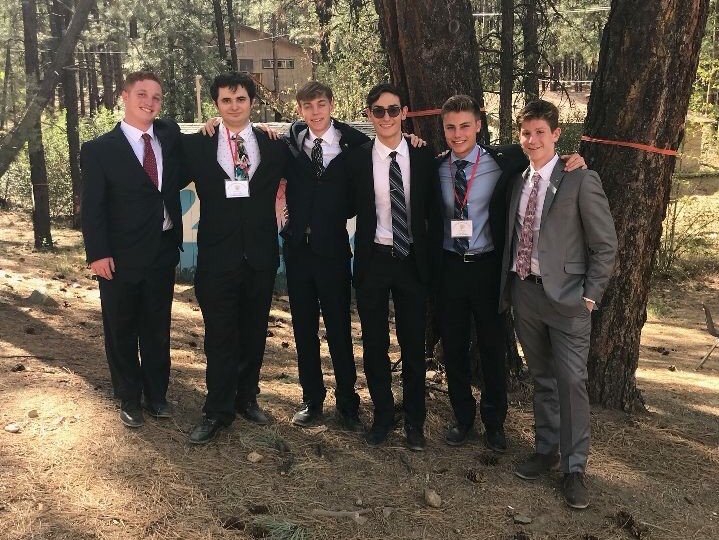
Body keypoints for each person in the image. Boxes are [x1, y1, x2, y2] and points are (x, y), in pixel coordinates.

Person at [435, 95, 586, 452]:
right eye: (450, 127)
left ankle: (494, 422)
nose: (458, 134)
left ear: (478, 126)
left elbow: (544, 154)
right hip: (449, 268)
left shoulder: (505, 160)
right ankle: (462, 417)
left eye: (465, 126)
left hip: (488, 268)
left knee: (492, 347)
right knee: (454, 347)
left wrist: (574, 158)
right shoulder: (435, 166)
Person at [499, 100, 617, 509]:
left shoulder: (579, 179)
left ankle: (574, 468)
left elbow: (605, 245)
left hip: (568, 301)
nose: (532, 141)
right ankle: (546, 449)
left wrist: (590, 296)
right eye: (526, 133)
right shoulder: (518, 181)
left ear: (556, 135)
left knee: (571, 382)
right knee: (542, 378)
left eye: (540, 133)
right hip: (525, 294)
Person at [182, 72, 289, 444]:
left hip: (259, 256)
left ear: (252, 102)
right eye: (226, 100)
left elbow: (318, 141)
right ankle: (217, 409)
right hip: (217, 257)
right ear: (216, 105)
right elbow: (159, 140)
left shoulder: (273, 145)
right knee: (220, 336)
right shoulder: (199, 145)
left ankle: (247, 398)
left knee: (254, 332)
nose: (234, 106)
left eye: (240, 99)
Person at [80, 71, 183, 428]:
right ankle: (128, 397)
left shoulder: (168, 136)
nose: (149, 102)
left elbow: (205, 145)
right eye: (141, 94)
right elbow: (92, 206)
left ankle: (156, 395)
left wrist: (215, 124)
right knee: (121, 328)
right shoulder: (99, 150)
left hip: (162, 251)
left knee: (157, 327)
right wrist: (97, 253)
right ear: (124, 96)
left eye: (156, 97)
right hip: (119, 257)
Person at [346, 83, 440, 451]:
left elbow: (434, 210)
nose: (386, 117)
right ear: (369, 115)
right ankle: (383, 416)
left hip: (411, 260)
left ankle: (415, 421)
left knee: (413, 344)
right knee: (374, 345)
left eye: (393, 110)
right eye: (378, 111)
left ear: (405, 113)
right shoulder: (357, 158)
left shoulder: (423, 154)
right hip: (374, 259)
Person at [280, 82, 369, 431]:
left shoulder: (354, 144)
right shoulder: (291, 141)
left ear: (331, 104)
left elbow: (387, 147)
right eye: (307, 106)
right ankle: (312, 399)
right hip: (297, 252)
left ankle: (347, 403)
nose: (315, 112)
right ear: (299, 110)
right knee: (304, 329)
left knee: (339, 329)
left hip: (333, 251)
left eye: (320, 104)